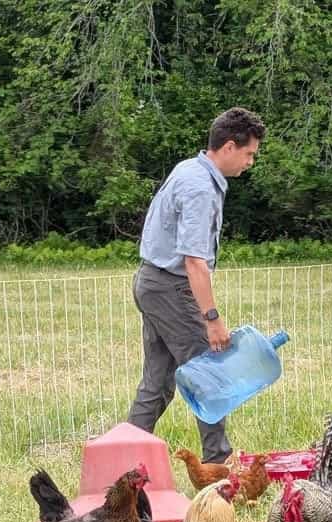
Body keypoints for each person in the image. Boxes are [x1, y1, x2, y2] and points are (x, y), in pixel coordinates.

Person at [126, 107, 266, 464]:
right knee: (209, 375)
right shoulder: (200, 186)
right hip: (171, 288)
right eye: (249, 154)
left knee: (157, 384)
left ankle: (121, 463)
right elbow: (193, 261)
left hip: (153, 283)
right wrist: (212, 319)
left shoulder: (189, 169)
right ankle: (217, 467)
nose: (250, 163)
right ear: (230, 146)